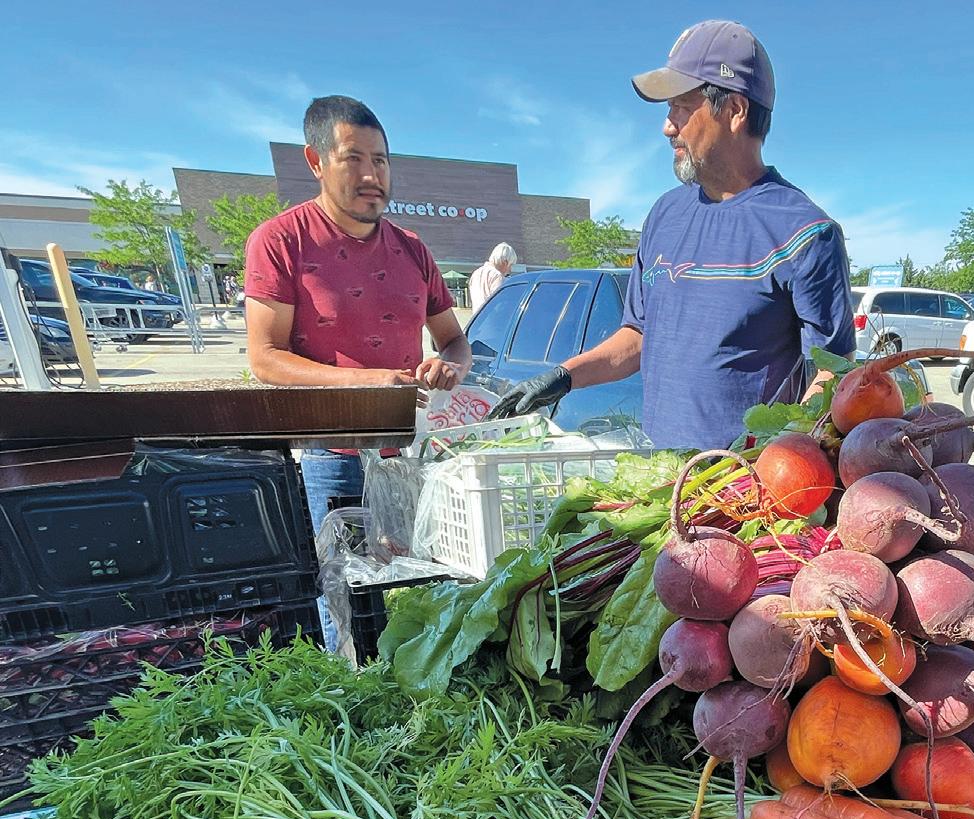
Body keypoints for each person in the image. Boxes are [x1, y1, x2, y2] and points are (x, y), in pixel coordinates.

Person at [490, 20, 853, 450]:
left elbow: (833, 372)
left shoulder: (806, 232)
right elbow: (638, 336)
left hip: (745, 482)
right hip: (659, 472)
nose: (667, 126)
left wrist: (783, 455)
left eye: (681, 107)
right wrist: (565, 376)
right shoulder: (665, 215)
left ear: (735, 110)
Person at [244, 94, 472, 551]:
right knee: (345, 581)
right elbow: (265, 358)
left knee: (426, 572)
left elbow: (453, 340)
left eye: (380, 160)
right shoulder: (281, 241)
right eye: (353, 159)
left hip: (413, 450)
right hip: (333, 456)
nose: (371, 175)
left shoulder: (412, 248)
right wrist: (367, 381)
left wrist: (451, 366)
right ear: (316, 162)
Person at [469, 242, 516, 317]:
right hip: (491, 320)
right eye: (511, 265)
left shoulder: (476, 273)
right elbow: (498, 304)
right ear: (505, 262)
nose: (510, 270)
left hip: (476, 320)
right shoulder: (497, 276)